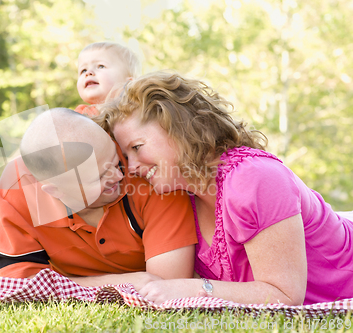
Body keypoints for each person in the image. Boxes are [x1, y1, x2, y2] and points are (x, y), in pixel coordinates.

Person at [96, 71, 353, 305]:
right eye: (126, 157)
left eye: (137, 148)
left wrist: (192, 289)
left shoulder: (254, 178)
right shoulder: (182, 196)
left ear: (176, 128)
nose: (132, 168)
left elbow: (284, 296)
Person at [0, 107, 197, 288]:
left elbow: (167, 285)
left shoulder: (148, 173)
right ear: (56, 191)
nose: (120, 175)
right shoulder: (15, 190)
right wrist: (120, 282)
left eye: (116, 161)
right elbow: (21, 286)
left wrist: (61, 285)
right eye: (100, 177)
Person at [75, 42, 141, 117]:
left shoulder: (138, 114)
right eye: (83, 70)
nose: (88, 73)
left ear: (129, 83)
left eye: (101, 66)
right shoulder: (79, 116)